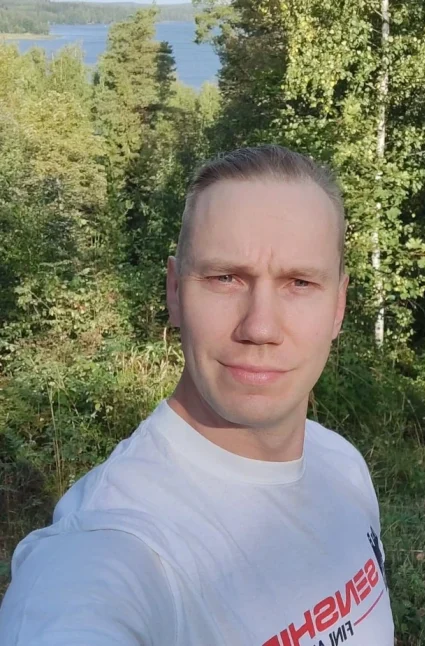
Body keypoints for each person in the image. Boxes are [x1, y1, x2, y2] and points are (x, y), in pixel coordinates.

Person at [0, 145, 394, 645]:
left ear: (338, 306)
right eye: (225, 278)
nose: (260, 328)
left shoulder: (342, 466)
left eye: (299, 282)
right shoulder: (108, 545)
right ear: (175, 292)